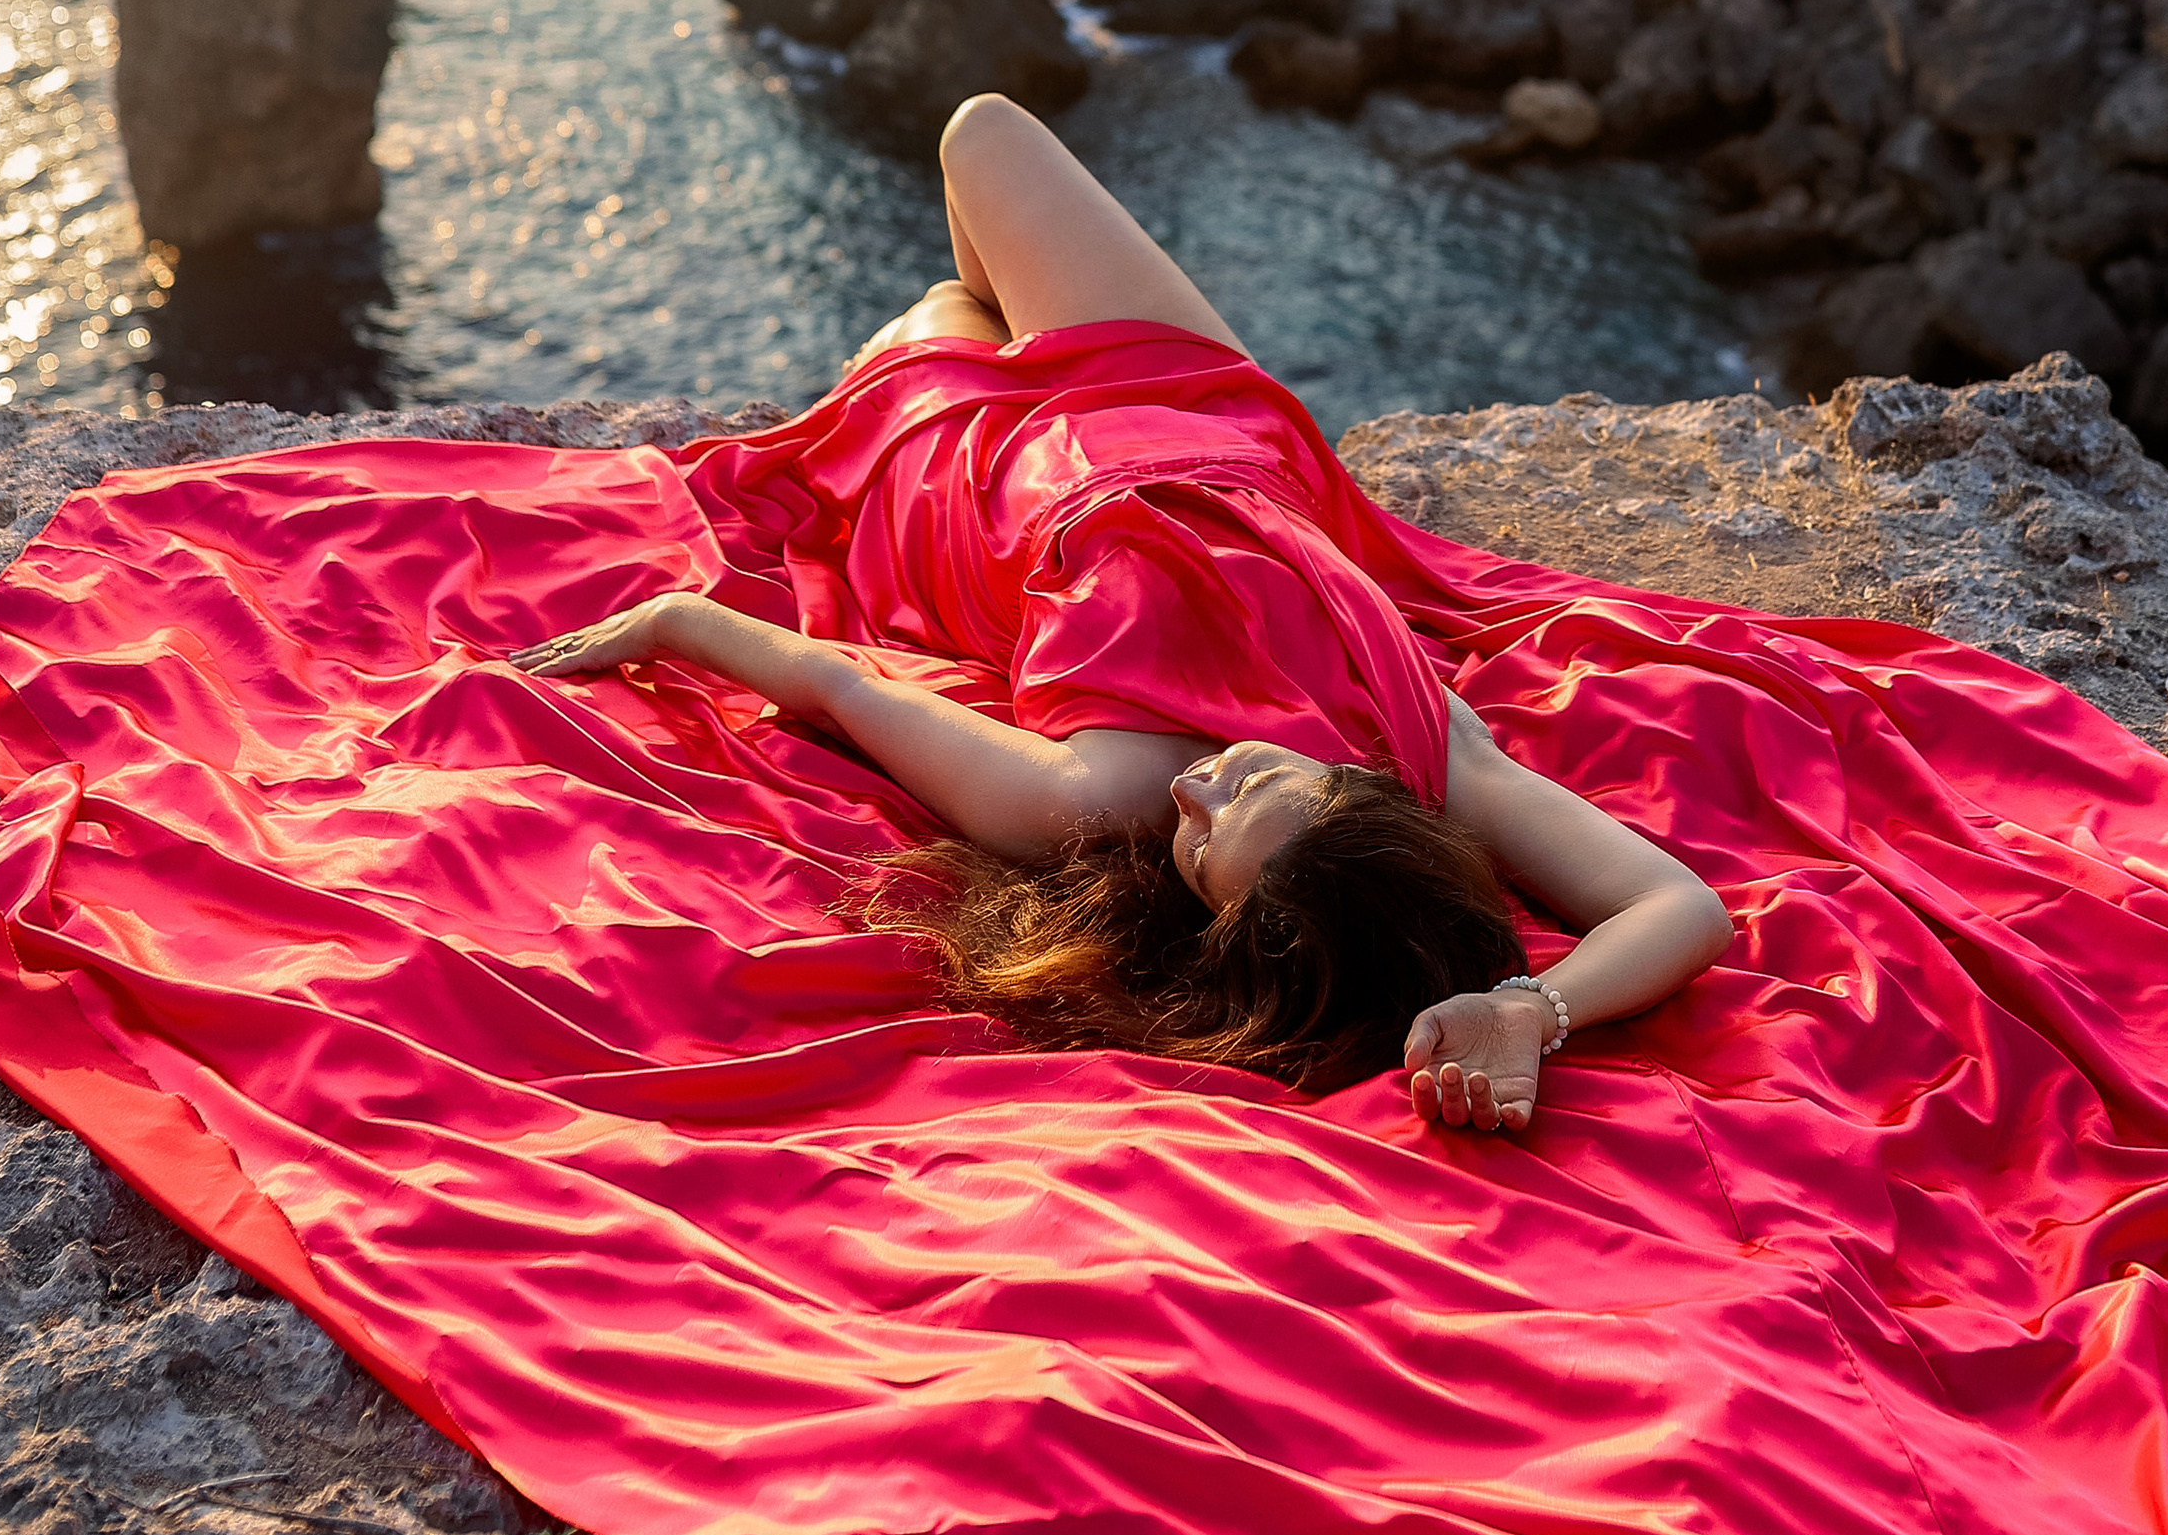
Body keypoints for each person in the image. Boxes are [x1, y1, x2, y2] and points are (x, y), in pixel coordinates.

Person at [514, 93, 1733, 1129]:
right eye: (1251, 790)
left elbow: (844, 686)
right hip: (1209, 423)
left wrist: (678, 623)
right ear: (1358, 798)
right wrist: (1538, 1002)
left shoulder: (1093, 799)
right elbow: (1680, 905)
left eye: (1199, 851)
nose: (1195, 797)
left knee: (945, 303)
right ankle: (1004, 338)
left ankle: (955, 353)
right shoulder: (1428, 751)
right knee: (981, 131)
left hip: (980, 484)